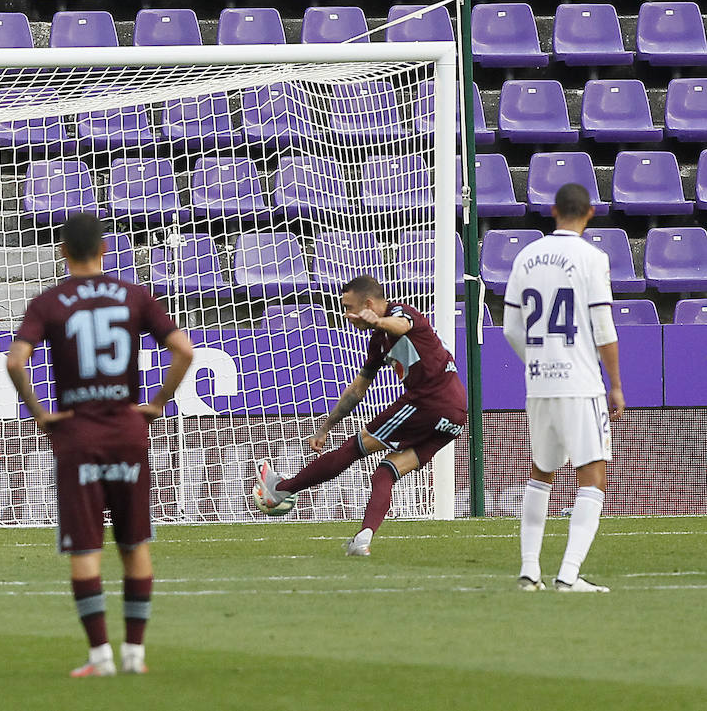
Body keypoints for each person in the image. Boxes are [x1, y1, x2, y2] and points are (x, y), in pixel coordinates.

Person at [6, 213, 194, 678]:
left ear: (63, 251)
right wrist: (156, 404)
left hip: (79, 435)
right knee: (134, 543)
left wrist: (42, 413)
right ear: (105, 249)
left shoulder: (49, 302)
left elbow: (15, 361)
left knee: (86, 548)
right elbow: (185, 351)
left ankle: (99, 657)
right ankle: (135, 654)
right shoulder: (133, 295)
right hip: (128, 431)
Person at [255, 274, 468, 557]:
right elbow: (357, 390)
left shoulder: (399, 313)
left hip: (429, 401)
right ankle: (362, 540)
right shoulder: (378, 341)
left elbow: (402, 326)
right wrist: (325, 427)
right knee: (385, 472)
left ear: (368, 304)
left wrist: (378, 321)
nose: (346, 315)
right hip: (453, 415)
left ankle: (281, 489)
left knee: (355, 446)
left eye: (349, 307)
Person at [503, 182, 624, 593]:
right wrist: (616, 385)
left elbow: (511, 328)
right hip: (580, 383)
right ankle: (569, 575)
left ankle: (528, 570)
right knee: (592, 475)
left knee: (541, 472)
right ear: (589, 213)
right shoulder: (593, 258)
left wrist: (538, 362)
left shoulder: (526, 256)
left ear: (553, 211)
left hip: (539, 385)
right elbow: (604, 328)